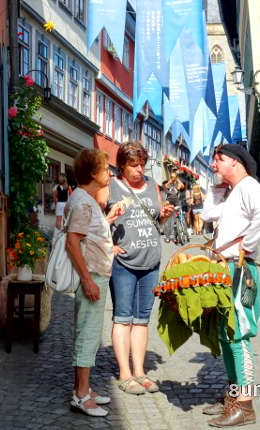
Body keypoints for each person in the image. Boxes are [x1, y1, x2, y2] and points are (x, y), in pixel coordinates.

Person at [201, 144, 260, 428]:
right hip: (226, 268)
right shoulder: (234, 191)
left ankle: (245, 404)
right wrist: (216, 188)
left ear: (234, 162)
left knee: (238, 334)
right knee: (225, 334)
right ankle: (233, 396)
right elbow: (208, 214)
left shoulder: (247, 186)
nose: (213, 165)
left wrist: (247, 245)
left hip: (239, 268)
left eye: (218, 160)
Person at [108, 141, 174, 395]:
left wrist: (165, 215)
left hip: (151, 262)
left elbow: (158, 221)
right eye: (133, 165)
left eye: (141, 165)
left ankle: (140, 372)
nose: (138, 170)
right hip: (124, 263)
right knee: (123, 318)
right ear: (122, 166)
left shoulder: (152, 185)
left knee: (142, 320)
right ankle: (125, 374)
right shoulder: (111, 186)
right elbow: (93, 220)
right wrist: (109, 245)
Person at [65, 149, 124, 417]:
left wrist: (107, 243)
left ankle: (85, 390)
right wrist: (88, 280)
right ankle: (80, 395)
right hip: (91, 277)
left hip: (96, 273)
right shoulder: (83, 201)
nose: (109, 174)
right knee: (87, 337)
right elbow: (72, 242)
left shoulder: (85, 199)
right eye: (104, 169)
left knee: (88, 335)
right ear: (92, 173)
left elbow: (88, 237)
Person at [163, 172, 185, 242]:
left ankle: (174, 236)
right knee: (168, 221)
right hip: (169, 203)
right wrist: (170, 180)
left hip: (176, 203)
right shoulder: (168, 184)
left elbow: (182, 186)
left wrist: (177, 179)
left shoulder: (177, 184)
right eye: (172, 177)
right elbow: (166, 186)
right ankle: (167, 237)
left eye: (174, 177)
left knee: (175, 219)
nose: (173, 178)